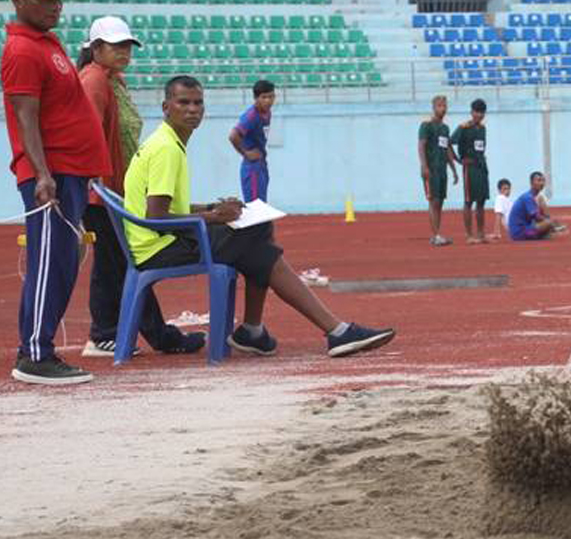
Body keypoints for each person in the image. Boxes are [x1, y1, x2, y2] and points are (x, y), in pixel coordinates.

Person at [124, 76, 395, 358]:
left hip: (160, 241)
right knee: (257, 238)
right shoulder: (167, 149)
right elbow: (155, 216)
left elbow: (168, 205)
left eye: (198, 102)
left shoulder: (165, 141)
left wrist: (211, 206)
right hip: (159, 248)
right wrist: (215, 216)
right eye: (183, 102)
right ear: (166, 107)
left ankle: (260, 331)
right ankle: (327, 330)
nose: (192, 109)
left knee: (257, 230)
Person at [2, 0, 111, 385]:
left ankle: (38, 349)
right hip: (51, 175)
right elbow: (25, 117)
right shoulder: (23, 49)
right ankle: (35, 354)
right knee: (50, 262)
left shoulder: (46, 43)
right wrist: (42, 173)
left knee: (63, 263)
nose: (55, 6)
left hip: (69, 174)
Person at [76, 16, 203, 358]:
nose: (124, 51)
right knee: (113, 263)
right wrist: (95, 183)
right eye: (115, 45)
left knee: (122, 262)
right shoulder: (94, 82)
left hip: (114, 186)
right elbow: (84, 133)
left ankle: (156, 335)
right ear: (96, 48)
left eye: (127, 45)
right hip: (101, 189)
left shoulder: (112, 80)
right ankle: (106, 334)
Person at [418, 94, 459, 246]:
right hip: (431, 169)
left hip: (442, 169)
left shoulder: (445, 128)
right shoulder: (426, 125)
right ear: (434, 107)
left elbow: (447, 148)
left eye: (444, 106)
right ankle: (434, 235)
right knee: (433, 201)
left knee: (440, 201)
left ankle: (437, 234)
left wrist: (453, 169)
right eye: (440, 106)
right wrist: (424, 166)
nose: (443, 109)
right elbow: (421, 145)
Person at [228, 79, 276, 203]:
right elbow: (233, 135)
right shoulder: (251, 116)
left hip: (261, 164)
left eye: (271, 97)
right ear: (256, 98)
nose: (268, 101)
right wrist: (246, 153)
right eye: (264, 97)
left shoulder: (267, 113)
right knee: (255, 207)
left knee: (262, 204)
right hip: (252, 167)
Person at [454, 98, 490, 244]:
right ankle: (469, 235)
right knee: (469, 201)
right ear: (471, 112)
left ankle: (481, 234)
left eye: (482, 112)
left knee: (481, 201)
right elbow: (450, 143)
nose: (479, 115)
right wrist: (458, 160)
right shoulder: (463, 128)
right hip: (469, 168)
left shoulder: (482, 128)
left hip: (481, 166)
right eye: (476, 112)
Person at [508, 171, 563, 241]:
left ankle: (541, 235)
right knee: (548, 223)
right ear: (531, 183)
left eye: (543, 180)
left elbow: (541, 216)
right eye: (539, 180)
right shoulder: (528, 197)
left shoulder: (535, 197)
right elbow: (536, 217)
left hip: (525, 229)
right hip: (520, 233)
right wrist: (551, 223)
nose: (542, 183)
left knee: (548, 223)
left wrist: (548, 219)